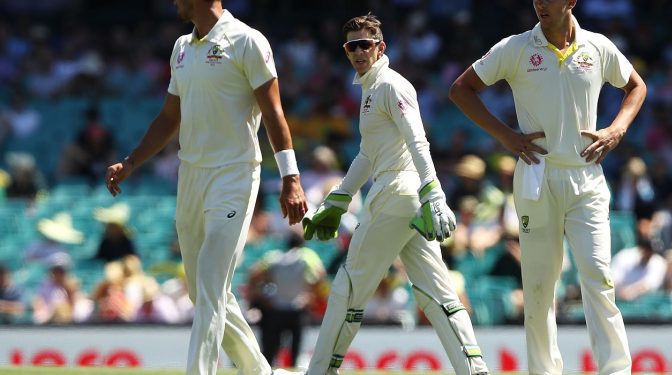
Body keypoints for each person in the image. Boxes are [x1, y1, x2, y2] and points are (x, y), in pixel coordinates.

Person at [104, 1, 307, 374]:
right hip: (191, 176)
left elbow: (274, 112)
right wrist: (131, 162)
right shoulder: (181, 47)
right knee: (204, 293)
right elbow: (169, 117)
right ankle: (260, 371)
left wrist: (291, 177)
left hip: (234, 175)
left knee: (211, 283)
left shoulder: (247, 40)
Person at [449, 0, 647, 373]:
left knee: (598, 275)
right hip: (536, 175)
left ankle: (616, 370)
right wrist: (506, 136)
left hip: (586, 178)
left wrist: (616, 129)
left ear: (570, 1)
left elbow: (636, 86)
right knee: (539, 286)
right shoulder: (515, 48)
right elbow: (461, 89)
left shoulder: (598, 46)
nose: (540, 3)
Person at [301, 14, 489, 375]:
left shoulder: (390, 85)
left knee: (348, 286)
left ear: (380, 47)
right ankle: (475, 369)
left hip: (398, 191)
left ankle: (320, 370)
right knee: (437, 293)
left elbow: (417, 138)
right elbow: (368, 154)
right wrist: (337, 200)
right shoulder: (371, 90)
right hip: (405, 196)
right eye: (351, 46)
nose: (358, 52)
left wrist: (433, 192)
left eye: (364, 45)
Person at [246, 230, 326, 368]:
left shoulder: (273, 257)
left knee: (269, 353)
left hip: (274, 310)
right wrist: (310, 296)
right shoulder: (308, 256)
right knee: (296, 353)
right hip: (297, 309)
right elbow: (320, 277)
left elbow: (253, 275)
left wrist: (261, 297)